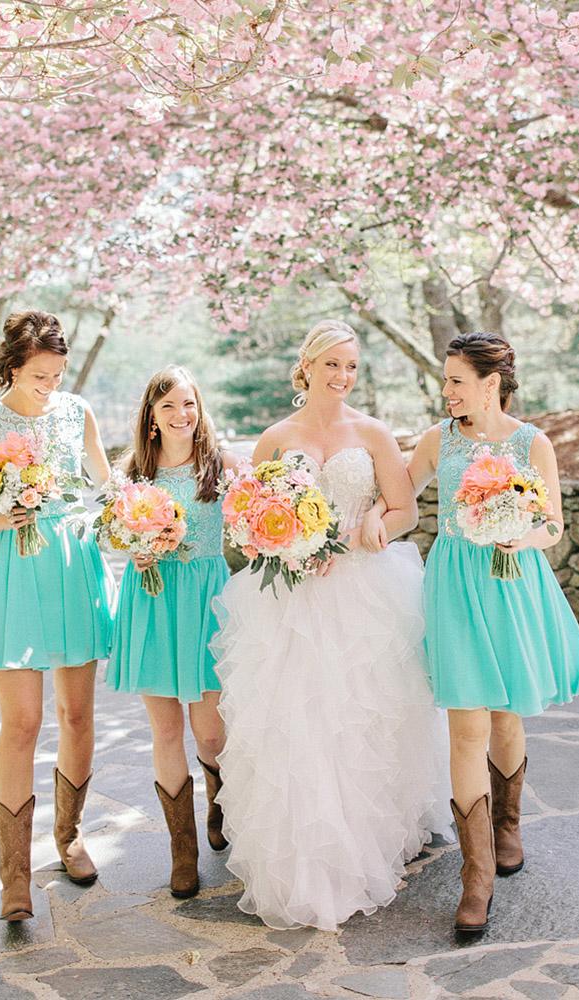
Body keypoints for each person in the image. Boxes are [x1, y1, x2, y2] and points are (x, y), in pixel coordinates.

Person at [212, 319, 453, 932]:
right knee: (294, 721)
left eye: (352, 367)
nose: (343, 377)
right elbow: (243, 519)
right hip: (289, 601)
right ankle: (299, 855)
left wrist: (375, 520)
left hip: (363, 592)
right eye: (333, 365)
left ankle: (367, 840)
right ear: (308, 367)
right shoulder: (275, 438)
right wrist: (280, 545)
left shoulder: (370, 432)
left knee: (361, 717)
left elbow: (406, 509)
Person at [363, 331, 579, 933]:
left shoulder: (531, 442)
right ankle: (476, 874)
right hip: (456, 588)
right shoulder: (439, 440)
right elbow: (399, 499)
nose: (448, 391)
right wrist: (368, 518)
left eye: (457, 380)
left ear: (491, 384)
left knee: (507, 717)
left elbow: (552, 527)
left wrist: (520, 535)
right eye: (446, 381)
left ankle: (508, 822)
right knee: (466, 726)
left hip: (513, 582)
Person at [0, 310, 115, 921]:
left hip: (74, 567)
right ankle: (15, 877)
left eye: (56, 374)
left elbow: (104, 485)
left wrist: (135, 516)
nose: (50, 385)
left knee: (76, 714)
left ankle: (69, 836)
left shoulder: (78, 414)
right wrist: (13, 511)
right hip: (15, 572)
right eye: (38, 376)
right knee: (21, 723)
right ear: (12, 368)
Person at [105, 365, 239, 899]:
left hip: (207, 600)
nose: (182, 415)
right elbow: (114, 533)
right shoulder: (134, 473)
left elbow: (250, 524)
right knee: (165, 732)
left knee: (209, 731)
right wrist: (133, 549)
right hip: (154, 598)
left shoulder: (221, 465)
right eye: (168, 407)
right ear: (152, 419)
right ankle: (181, 851)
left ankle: (219, 800)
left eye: (189, 404)